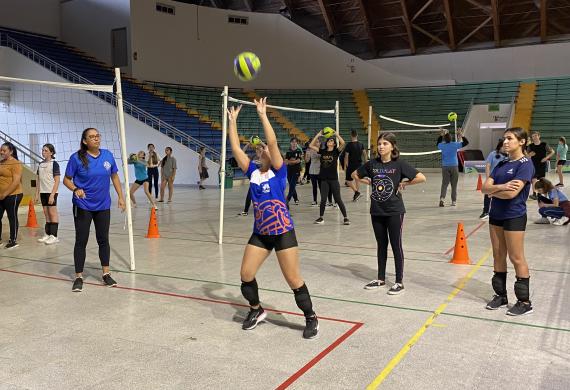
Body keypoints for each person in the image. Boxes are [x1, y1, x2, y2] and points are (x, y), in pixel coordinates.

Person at [227, 98, 319, 339]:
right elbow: (236, 149)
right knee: (246, 275)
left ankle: (311, 317)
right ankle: (256, 310)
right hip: (261, 233)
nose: (262, 150)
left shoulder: (279, 171)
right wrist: (232, 122)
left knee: (293, 279)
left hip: (283, 232)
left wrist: (262, 114)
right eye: (259, 150)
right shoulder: (253, 173)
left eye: (264, 149)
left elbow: (272, 141)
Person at [352, 132, 426, 295]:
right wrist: (369, 181)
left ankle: (399, 281)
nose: (381, 146)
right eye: (379, 144)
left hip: (394, 210)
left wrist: (404, 182)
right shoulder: (372, 164)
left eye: (385, 143)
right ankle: (380, 279)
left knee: (396, 245)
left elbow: (421, 177)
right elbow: (354, 175)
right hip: (377, 210)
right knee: (381, 245)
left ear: (392, 146)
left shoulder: (399, 164)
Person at [63, 128, 126, 292]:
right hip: (83, 205)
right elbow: (66, 180)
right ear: (85, 141)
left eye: (98, 136)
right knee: (81, 240)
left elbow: (115, 176)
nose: (96, 139)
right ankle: (78, 276)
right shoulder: (76, 158)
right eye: (92, 137)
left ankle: (106, 274)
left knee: (103, 239)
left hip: (103, 205)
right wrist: (76, 188)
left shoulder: (107, 155)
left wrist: (121, 197)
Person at [481, 127, 534, 316]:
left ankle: (524, 302)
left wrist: (493, 190)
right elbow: (484, 189)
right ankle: (501, 296)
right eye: (504, 139)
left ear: (522, 142)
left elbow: (513, 193)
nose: (505, 142)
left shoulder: (525, 164)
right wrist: (500, 186)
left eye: (509, 138)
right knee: (498, 254)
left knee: (516, 257)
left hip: (514, 215)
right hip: (495, 215)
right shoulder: (501, 164)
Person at [308, 130, 350, 225]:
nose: (329, 142)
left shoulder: (336, 151)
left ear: (334, 144)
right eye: (328, 140)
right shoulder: (322, 151)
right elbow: (310, 145)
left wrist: (336, 134)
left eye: (331, 141)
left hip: (334, 179)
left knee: (338, 199)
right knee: (323, 199)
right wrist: (318, 135)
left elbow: (343, 143)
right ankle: (321, 217)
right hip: (324, 179)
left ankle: (346, 218)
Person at [34, 144, 60, 245]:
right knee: (46, 213)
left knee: (52, 213)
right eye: (43, 150)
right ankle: (48, 234)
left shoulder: (55, 164)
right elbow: (38, 180)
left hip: (51, 192)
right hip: (43, 192)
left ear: (51, 152)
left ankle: (54, 236)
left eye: (45, 150)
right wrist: (36, 194)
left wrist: (52, 194)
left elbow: (57, 180)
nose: (43, 152)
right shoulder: (40, 164)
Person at [436, 128, 469, 207]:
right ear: (451, 139)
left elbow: (437, 143)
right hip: (454, 166)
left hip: (445, 166)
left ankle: (442, 199)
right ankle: (453, 201)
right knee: (454, 185)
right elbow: (466, 142)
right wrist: (461, 134)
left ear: (444, 139)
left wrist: (441, 135)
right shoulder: (455, 144)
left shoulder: (442, 146)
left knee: (444, 184)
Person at [0, 142, 23, 249]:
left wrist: (5, 193)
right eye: (1, 150)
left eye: (4, 150)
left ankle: (13, 240)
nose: (1, 152)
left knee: (11, 217)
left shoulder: (16, 163)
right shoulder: (1, 162)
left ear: (11, 151)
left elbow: (16, 182)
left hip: (13, 194)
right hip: (1, 195)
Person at [480, 139, 507, 220]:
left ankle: (502, 211)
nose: (505, 147)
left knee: (502, 195)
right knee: (488, 194)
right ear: (499, 146)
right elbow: (488, 166)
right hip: (492, 178)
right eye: (503, 145)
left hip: (503, 179)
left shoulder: (509, 155)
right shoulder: (493, 154)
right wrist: (488, 178)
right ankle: (485, 211)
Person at [526, 131, 554, 200]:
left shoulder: (544, 144)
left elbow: (552, 152)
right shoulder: (530, 146)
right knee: (534, 180)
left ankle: (541, 193)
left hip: (542, 165)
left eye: (536, 136)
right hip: (533, 165)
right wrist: (529, 155)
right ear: (532, 138)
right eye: (533, 136)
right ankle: (534, 194)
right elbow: (526, 156)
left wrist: (546, 158)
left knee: (542, 180)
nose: (534, 137)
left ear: (539, 136)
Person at [238, 142, 263, 216]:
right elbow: (242, 153)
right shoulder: (253, 157)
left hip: (263, 180)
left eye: (259, 148)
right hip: (254, 180)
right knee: (250, 195)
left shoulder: (266, 157)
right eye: (256, 148)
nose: (258, 150)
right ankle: (246, 211)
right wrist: (248, 144)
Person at [344, 130, 367, 201]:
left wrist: (346, 165)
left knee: (348, 181)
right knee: (357, 179)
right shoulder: (361, 144)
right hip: (359, 164)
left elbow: (346, 156)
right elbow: (365, 154)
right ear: (357, 135)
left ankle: (356, 193)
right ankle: (356, 194)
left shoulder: (349, 145)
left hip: (351, 164)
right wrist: (366, 162)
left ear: (351, 135)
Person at [284, 137, 303, 206]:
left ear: (297, 143)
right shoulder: (288, 152)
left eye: (295, 142)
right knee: (292, 185)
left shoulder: (299, 151)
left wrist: (290, 161)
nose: (294, 143)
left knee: (292, 185)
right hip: (289, 170)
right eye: (292, 142)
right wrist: (293, 161)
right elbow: (286, 162)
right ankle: (296, 199)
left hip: (296, 170)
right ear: (290, 143)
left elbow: (298, 161)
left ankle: (287, 199)